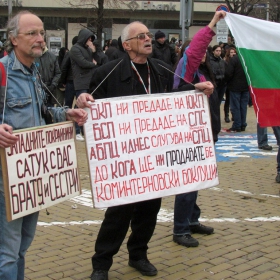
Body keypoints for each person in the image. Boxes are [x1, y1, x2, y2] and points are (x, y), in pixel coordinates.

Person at [76, 21, 214, 280]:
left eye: (149, 35)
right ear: (126, 45)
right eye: (141, 37)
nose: (148, 39)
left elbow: (177, 95)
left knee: (149, 211)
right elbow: (88, 102)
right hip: (123, 160)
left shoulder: (160, 68)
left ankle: (138, 255)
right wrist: (82, 99)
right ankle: (101, 264)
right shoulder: (107, 72)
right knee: (118, 214)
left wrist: (196, 89)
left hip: (154, 159)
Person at [0, 11, 88, 280]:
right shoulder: (2, 71)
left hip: (32, 178)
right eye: (32, 34)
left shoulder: (34, 71)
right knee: (7, 253)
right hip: (7, 180)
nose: (40, 39)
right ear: (13, 39)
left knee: (23, 247)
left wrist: (66, 114)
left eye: (41, 33)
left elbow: (43, 112)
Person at [172, 11, 226, 248]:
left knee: (197, 180)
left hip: (205, 132)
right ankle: (180, 229)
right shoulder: (187, 68)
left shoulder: (203, 71)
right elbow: (195, 50)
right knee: (188, 181)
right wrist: (214, 23)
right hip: (188, 133)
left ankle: (192, 220)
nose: (203, 52)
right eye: (200, 50)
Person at [225, 54, 249, 132]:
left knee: (235, 107)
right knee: (243, 107)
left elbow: (228, 73)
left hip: (235, 86)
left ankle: (237, 125)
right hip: (246, 86)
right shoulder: (248, 58)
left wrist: (227, 81)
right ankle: (243, 124)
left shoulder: (234, 59)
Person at [35, 41, 61, 106]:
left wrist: (53, 85)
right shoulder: (32, 57)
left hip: (50, 91)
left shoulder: (52, 56)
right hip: (37, 91)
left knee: (50, 112)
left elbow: (58, 73)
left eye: (42, 42)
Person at [223, 47, 237, 123]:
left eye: (233, 52)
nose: (232, 54)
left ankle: (234, 115)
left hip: (235, 83)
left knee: (234, 101)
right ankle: (226, 115)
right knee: (228, 100)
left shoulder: (236, 61)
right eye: (231, 52)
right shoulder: (226, 62)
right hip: (228, 84)